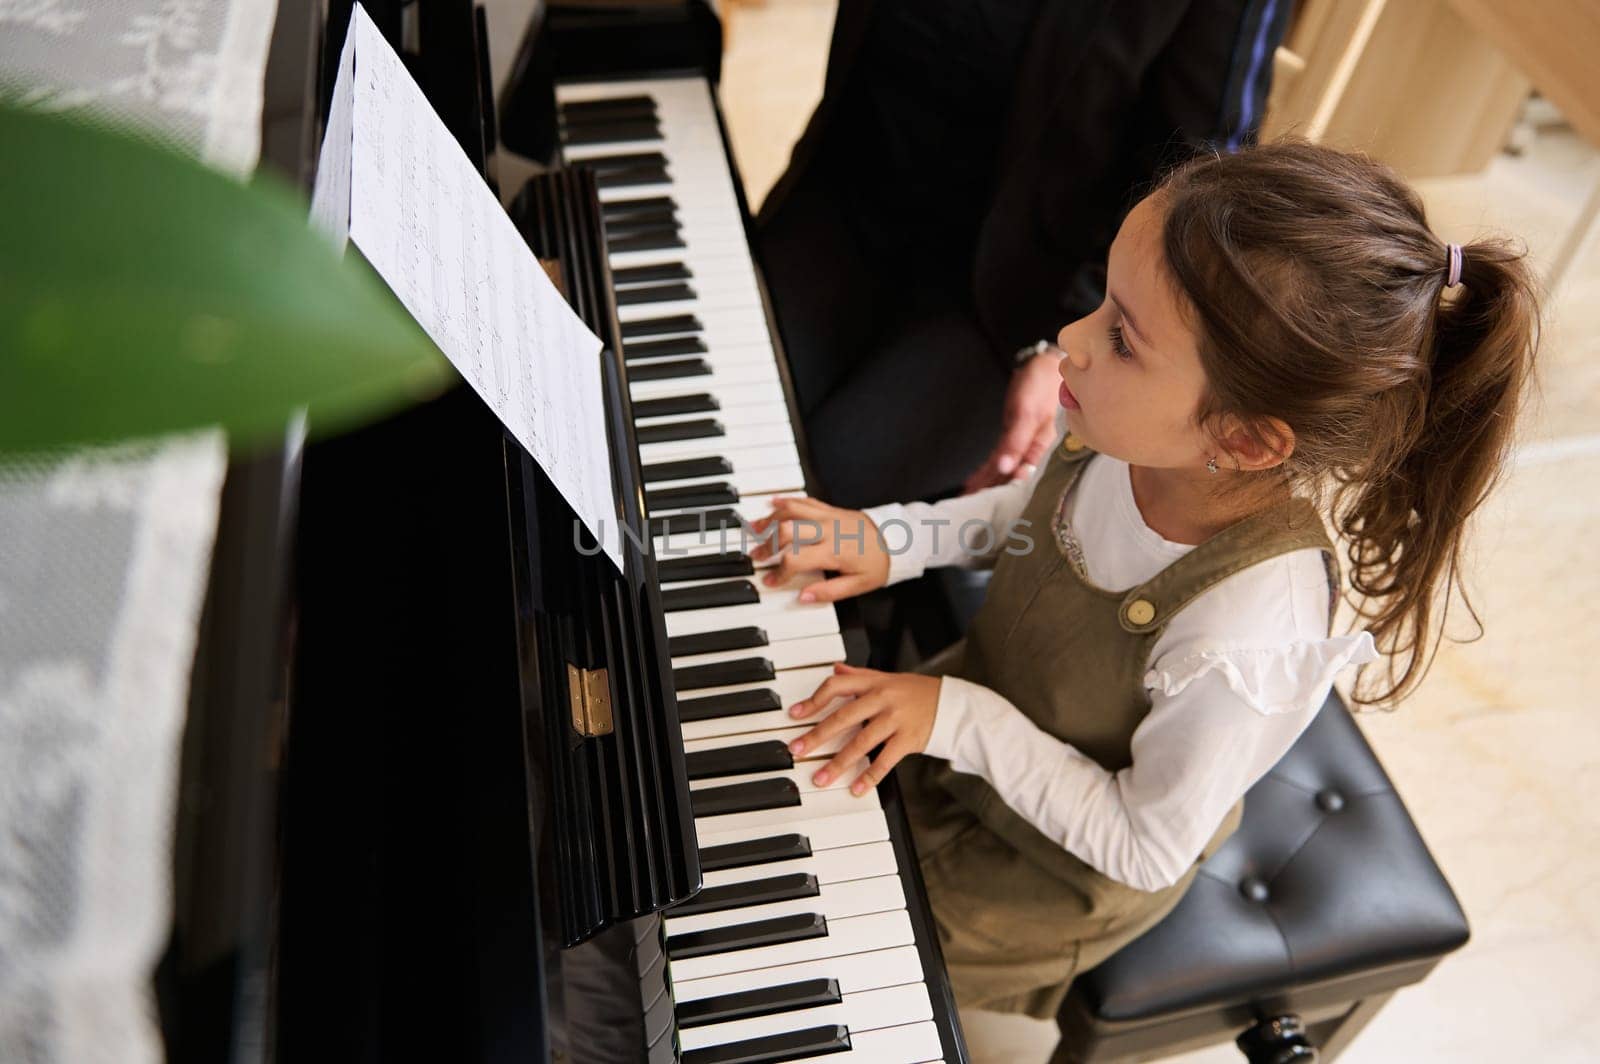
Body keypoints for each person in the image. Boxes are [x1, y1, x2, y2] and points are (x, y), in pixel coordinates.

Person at [746, 140, 1541, 1017]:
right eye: (1100, 307)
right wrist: (890, 539)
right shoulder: (1132, 434)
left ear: (1242, 439)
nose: (1071, 343)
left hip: (1052, 868)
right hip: (971, 722)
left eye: (1122, 336)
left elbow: (1144, 845)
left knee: (805, 941)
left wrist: (960, 720)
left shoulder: (1248, 629)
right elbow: (1032, 516)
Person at [754, 0, 1294, 509]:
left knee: (828, 485)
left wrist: (1083, 333)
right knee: (736, 417)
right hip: (847, 199)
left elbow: (1203, 174)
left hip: (1026, 298)